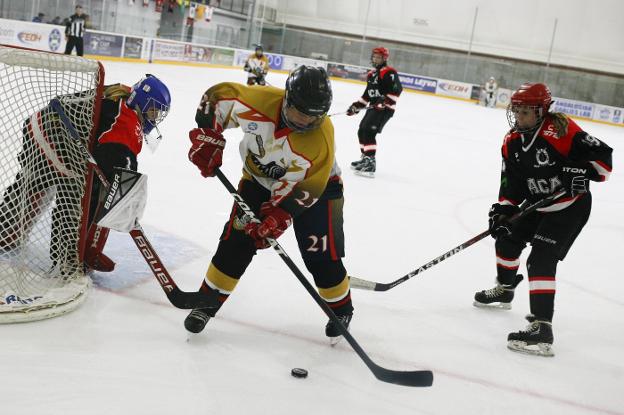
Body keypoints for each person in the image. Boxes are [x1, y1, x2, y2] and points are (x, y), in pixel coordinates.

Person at [183, 66, 355, 344]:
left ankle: (341, 309)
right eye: (300, 111)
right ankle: (207, 302)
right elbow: (216, 97)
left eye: (314, 116)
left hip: (317, 189)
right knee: (235, 242)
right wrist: (208, 136)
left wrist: (278, 217)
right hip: (258, 181)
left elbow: (308, 187)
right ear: (287, 98)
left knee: (321, 258)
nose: (305, 121)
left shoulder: (321, 138)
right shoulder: (258, 100)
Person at [473, 83, 613, 356]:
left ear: (541, 112)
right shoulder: (511, 142)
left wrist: (581, 171)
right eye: (517, 111)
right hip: (538, 203)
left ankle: (541, 328)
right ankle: (504, 289)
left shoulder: (561, 131)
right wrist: (504, 211)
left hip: (568, 207)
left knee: (540, 260)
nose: (519, 117)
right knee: (507, 238)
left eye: (526, 112)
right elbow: (510, 184)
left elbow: (604, 164)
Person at [0, 75, 171, 274]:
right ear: (142, 99)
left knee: (39, 182)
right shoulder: (127, 118)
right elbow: (118, 159)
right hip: (53, 132)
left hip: (45, 125)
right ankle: (67, 259)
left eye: (158, 112)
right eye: (153, 109)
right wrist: (125, 191)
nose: (154, 116)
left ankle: (7, 229)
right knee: (77, 193)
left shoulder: (122, 97)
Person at [346, 46, 402, 177]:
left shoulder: (389, 72)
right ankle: (366, 157)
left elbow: (397, 89)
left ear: (384, 59)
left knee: (369, 131)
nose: (376, 59)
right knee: (362, 130)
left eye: (379, 57)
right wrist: (356, 107)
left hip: (385, 109)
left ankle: (371, 163)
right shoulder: (371, 75)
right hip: (373, 107)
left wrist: (385, 101)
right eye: (374, 56)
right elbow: (367, 95)